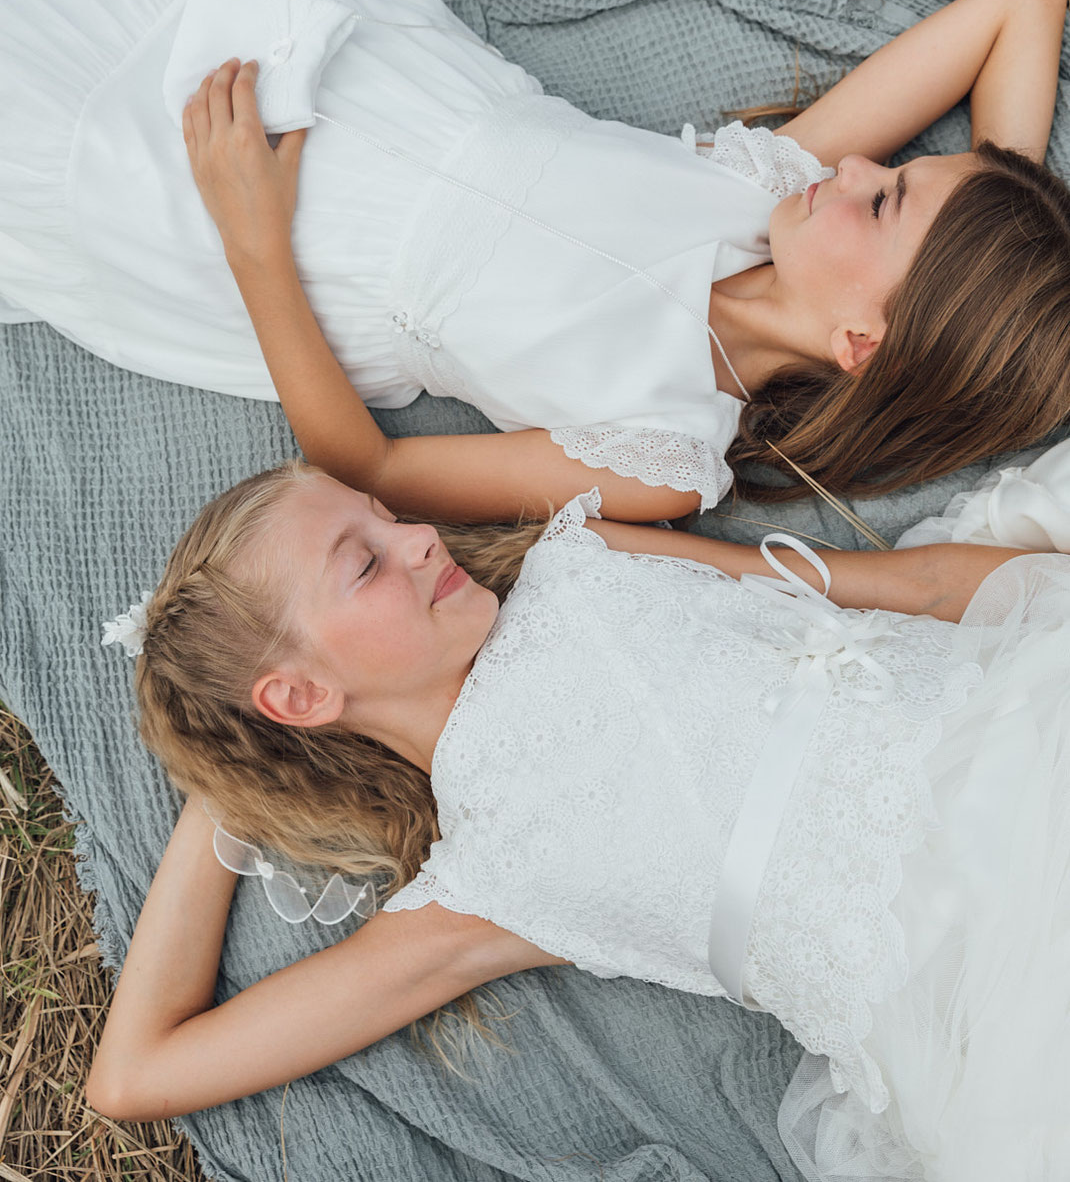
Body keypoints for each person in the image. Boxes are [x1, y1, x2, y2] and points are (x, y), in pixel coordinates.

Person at [3, 0, 1070, 523]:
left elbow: (371, 468)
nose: (858, 167)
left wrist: (253, 240)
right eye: (891, 173)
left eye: (883, 202)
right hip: (367, 75)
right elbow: (1025, 4)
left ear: (859, 343)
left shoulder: (668, 450)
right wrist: (991, 230)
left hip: (287, 237)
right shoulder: (760, 189)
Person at [84, 455, 1069, 1180]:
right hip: (972, 985)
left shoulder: (581, 563)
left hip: (1020, 733)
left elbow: (892, 588)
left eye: (387, 517)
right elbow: (134, 1072)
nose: (419, 537)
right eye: (365, 563)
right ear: (300, 695)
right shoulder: (486, 886)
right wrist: (223, 780)